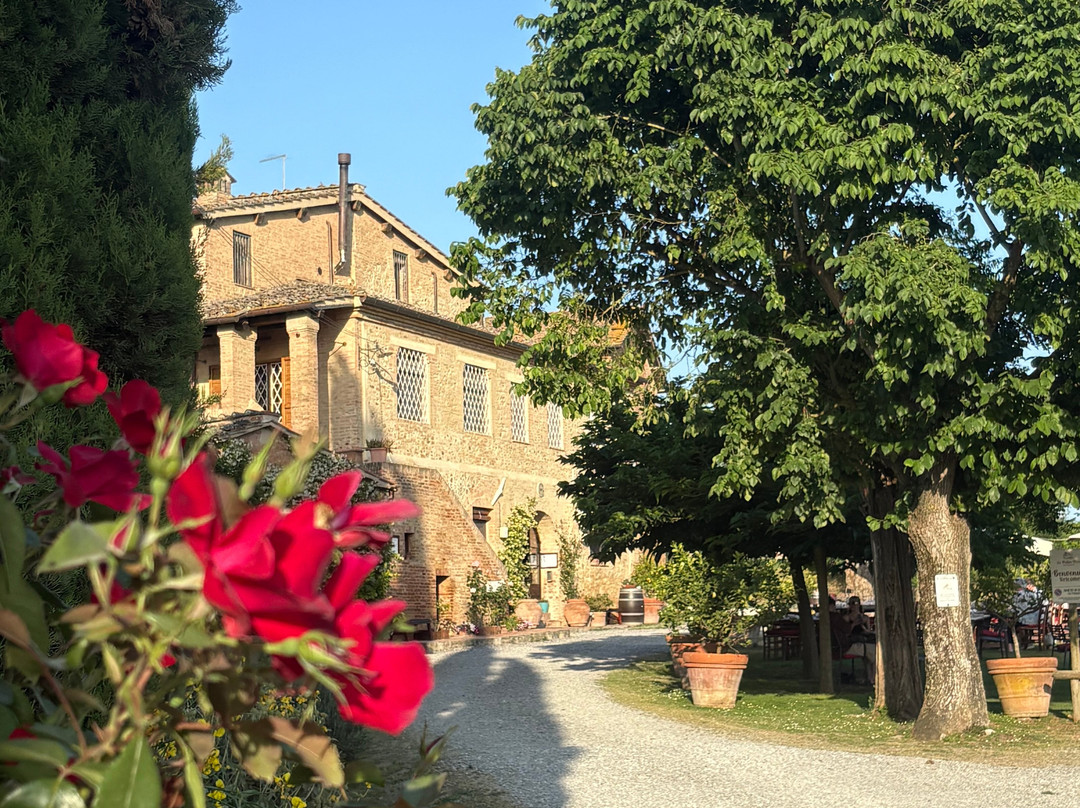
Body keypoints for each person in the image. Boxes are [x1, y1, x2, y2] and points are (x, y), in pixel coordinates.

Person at [829, 596, 876, 685]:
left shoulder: (864, 617)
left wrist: (865, 629)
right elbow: (846, 631)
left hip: (858, 641)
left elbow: (867, 631)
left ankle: (869, 678)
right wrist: (854, 624)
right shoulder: (844, 618)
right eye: (852, 603)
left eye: (856, 603)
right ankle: (872, 678)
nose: (854, 606)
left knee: (869, 653)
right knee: (873, 652)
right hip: (849, 644)